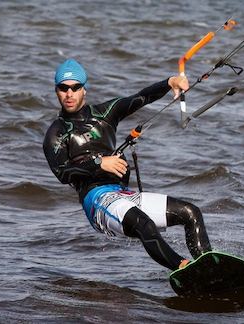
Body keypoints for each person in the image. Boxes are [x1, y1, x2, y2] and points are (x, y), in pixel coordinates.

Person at [43, 58, 212, 271]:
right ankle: (183, 268)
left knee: (191, 212)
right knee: (144, 224)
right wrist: (98, 163)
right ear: (56, 91)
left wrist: (170, 82)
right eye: (63, 88)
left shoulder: (105, 114)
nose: (69, 94)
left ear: (84, 90)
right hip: (96, 200)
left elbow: (139, 98)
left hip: (123, 194)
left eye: (75, 87)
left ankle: (209, 265)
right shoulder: (56, 133)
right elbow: (62, 173)